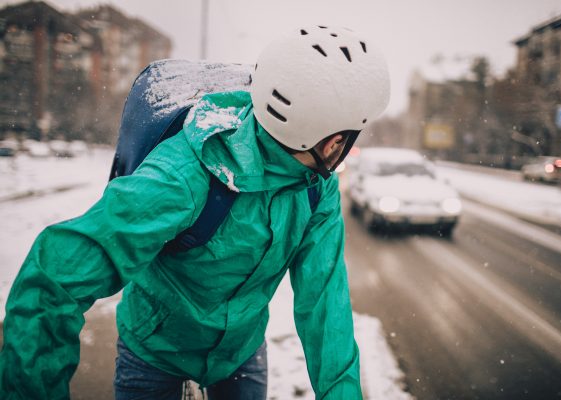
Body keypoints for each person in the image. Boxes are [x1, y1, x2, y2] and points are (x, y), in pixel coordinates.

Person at [0, 25, 390, 400]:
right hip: (155, 352)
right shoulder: (184, 175)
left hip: (240, 351)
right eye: (347, 136)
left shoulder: (316, 190)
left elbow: (325, 305)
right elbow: (52, 281)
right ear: (329, 140)